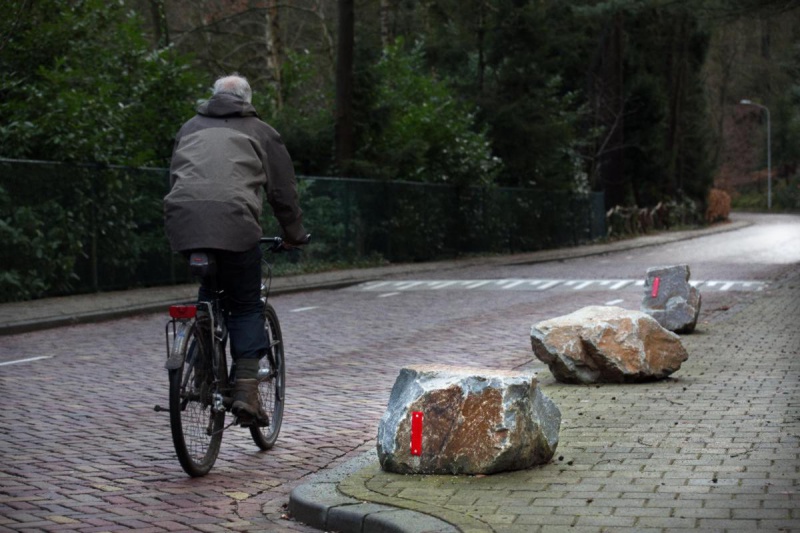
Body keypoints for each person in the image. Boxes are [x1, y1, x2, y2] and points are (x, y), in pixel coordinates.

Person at [164, 74, 307, 426]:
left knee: (209, 293)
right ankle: (246, 392)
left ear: (212, 97)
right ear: (246, 100)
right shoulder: (260, 131)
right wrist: (294, 234)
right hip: (235, 225)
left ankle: (200, 372)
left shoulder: (188, 127)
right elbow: (283, 193)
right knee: (244, 306)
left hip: (184, 222)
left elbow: (176, 178)